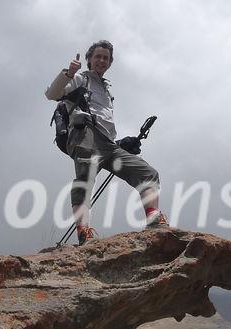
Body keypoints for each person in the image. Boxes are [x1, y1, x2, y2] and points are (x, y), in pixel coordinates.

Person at [45, 40, 168, 245]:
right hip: (84, 134)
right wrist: (68, 73)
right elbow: (52, 94)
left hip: (108, 143)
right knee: (86, 178)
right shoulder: (78, 78)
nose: (102, 60)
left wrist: (121, 143)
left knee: (147, 173)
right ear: (89, 60)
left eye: (106, 58)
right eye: (98, 56)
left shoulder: (107, 90)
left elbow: (104, 122)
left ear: (110, 63)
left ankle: (154, 218)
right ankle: (84, 230)